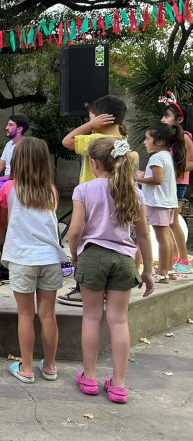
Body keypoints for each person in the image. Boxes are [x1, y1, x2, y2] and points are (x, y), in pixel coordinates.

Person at [67, 137, 154, 404]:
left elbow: (75, 231)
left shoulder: (84, 190)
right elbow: (142, 235)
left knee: (92, 318)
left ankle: (90, 377)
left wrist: (74, 254)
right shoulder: (134, 191)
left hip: (92, 257)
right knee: (118, 321)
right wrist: (148, 270)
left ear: (93, 163)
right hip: (123, 260)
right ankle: (119, 384)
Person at [0, 138, 65, 383]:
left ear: (17, 161)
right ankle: (51, 366)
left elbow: (0, 223)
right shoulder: (51, 190)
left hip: (23, 259)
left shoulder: (8, 189)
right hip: (50, 258)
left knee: (26, 315)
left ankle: (26, 368)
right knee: (47, 314)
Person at [59, 95, 136, 306]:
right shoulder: (123, 144)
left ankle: (82, 288)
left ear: (101, 119)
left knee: (87, 242)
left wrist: (90, 125)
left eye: (92, 118)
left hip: (90, 200)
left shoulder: (94, 140)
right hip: (117, 201)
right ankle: (106, 288)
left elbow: (66, 141)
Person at [136, 123, 186, 283]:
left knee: (162, 237)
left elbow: (157, 179)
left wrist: (137, 178)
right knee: (167, 236)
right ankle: (168, 268)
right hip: (166, 201)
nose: (145, 142)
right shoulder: (166, 156)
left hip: (157, 202)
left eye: (147, 138)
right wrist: (144, 175)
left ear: (159, 142)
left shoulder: (156, 157)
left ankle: (162, 272)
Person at [160, 98, 193, 273]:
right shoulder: (171, 138)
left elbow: (192, 161)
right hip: (168, 183)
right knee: (168, 221)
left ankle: (183, 259)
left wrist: (175, 169)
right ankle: (173, 256)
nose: (162, 119)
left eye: (167, 116)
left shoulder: (185, 137)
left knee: (173, 221)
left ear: (179, 119)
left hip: (178, 184)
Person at [0, 116, 30, 180]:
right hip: (7, 181)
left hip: (19, 183)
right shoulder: (9, 144)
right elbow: (0, 165)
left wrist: (0, 178)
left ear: (19, 129)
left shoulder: (26, 146)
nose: (6, 128)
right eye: (7, 124)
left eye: (10, 125)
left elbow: (23, 173)